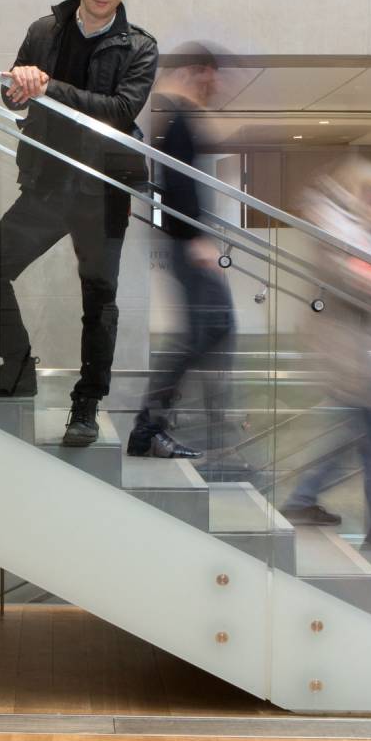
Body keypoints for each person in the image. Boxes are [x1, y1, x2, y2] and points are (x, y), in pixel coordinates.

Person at [0, 0, 159, 449]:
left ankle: (86, 404)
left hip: (103, 191)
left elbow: (120, 110)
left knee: (99, 299)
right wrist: (18, 84)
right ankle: (16, 368)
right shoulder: (44, 32)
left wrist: (48, 89)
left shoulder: (140, 46)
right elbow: (13, 96)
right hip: (47, 183)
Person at [279, 156, 371, 551]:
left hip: (351, 350)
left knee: (359, 432)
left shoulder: (359, 226)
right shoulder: (338, 225)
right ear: (359, 190)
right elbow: (362, 279)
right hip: (341, 350)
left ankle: (304, 499)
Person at [126, 43, 232, 460]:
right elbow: (176, 181)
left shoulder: (176, 113)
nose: (215, 83)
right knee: (205, 330)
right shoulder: (174, 113)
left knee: (210, 329)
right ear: (193, 71)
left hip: (186, 241)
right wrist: (195, 239)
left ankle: (163, 426)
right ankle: (153, 427)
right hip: (186, 243)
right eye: (210, 73)